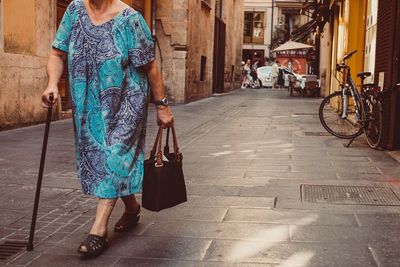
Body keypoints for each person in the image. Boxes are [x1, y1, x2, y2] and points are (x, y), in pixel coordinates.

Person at [41, 0, 174, 257]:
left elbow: (150, 67)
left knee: (114, 155)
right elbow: (57, 53)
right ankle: (132, 208)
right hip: (88, 103)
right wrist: (52, 84)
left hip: (127, 100)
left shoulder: (130, 19)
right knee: (103, 158)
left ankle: (98, 230)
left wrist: (162, 105)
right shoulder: (75, 11)